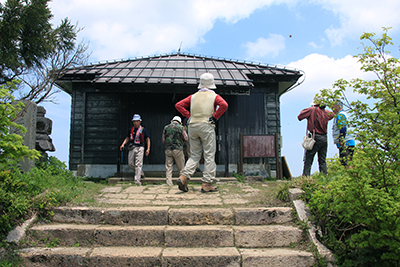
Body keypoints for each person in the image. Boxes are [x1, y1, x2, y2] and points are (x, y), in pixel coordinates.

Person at [175, 73, 228, 193]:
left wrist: (189, 116)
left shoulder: (193, 96)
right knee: (209, 154)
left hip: (192, 126)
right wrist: (215, 117)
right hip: (206, 126)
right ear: (211, 84)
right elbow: (224, 105)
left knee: (194, 155)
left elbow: (178, 105)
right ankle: (206, 183)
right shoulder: (214, 96)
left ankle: (183, 177)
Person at [298, 97, 338, 176]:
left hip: (314, 136)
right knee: (322, 160)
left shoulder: (312, 110)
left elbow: (300, 117)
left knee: (308, 159)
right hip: (324, 137)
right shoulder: (327, 112)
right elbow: (333, 115)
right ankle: (324, 177)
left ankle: (306, 177)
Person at [120, 114, 150, 185]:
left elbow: (148, 139)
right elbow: (127, 137)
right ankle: (140, 173)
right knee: (130, 163)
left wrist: (148, 148)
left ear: (140, 121)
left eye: (137, 121)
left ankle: (137, 180)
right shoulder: (131, 129)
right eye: (134, 121)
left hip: (140, 147)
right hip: (132, 147)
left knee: (138, 164)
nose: (135, 123)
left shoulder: (143, 130)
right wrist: (123, 144)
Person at [162, 116, 188, 186]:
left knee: (169, 167)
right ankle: (182, 182)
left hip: (168, 149)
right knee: (181, 167)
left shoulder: (166, 127)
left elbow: (163, 140)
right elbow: (186, 138)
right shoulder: (181, 127)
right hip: (178, 149)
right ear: (179, 122)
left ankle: (169, 183)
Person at [332, 101, 355, 166]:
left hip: (345, 143)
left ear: (338, 106)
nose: (332, 108)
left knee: (345, 162)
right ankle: (352, 175)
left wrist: (341, 139)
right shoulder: (345, 114)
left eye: (333, 106)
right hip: (350, 141)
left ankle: (348, 175)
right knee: (349, 162)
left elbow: (343, 127)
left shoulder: (340, 115)